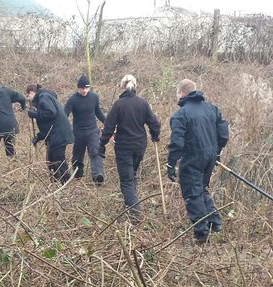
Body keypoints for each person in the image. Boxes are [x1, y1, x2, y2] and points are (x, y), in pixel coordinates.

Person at [166, 79, 229, 243]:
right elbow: (223, 135)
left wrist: (171, 163)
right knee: (201, 188)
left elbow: (177, 143)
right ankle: (215, 223)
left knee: (193, 193)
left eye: (177, 93)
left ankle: (201, 233)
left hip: (192, 157)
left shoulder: (180, 115)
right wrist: (216, 152)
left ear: (181, 93)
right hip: (210, 156)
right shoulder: (212, 109)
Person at [100, 75, 161, 218]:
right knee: (132, 174)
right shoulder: (143, 103)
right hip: (140, 145)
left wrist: (101, 144)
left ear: (122, 86)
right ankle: (130, 203)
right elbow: (154, 123)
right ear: (135, 86)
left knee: (126, 180)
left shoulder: (119, 105)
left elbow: (108, 128)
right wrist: (155, 135)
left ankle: (135, 211)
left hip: (124, 146)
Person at [26, 84, 74, 184]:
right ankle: (55, 182)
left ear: (32, 93)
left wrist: (35, 114)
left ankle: (66, 181)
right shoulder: (43, 98)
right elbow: (48, 124)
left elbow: (50, 113)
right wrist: (38, 137)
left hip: (59, 134)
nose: (28, 98)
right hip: (55, 133)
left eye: (28, 95)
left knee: (58, 158)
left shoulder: (44, 97)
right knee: (51, 158)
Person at [64, 75, 106, 184]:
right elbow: (65, 116)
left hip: (92, 130)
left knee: (96, 151)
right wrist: (64, 130)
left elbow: (98, 112)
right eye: (82, 88)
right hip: (78, 132)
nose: (85, 90)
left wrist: (108, 123)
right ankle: (78, 175)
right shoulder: (72, 100)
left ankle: (97, 175)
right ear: (78, 88)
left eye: (87, 88)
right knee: (77, 155)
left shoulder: (94, 97)